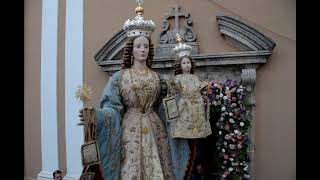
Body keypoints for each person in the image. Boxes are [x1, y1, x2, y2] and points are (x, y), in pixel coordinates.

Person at [80, 2, 191, 180]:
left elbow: (166, 108)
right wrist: (96, 115)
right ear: (131, 50)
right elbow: (111, 107)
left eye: (146, 46)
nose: (142, 50)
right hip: (129, 131)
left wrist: (186, 104)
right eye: (138, 46)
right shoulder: (119, 77)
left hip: (156, 130)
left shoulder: (158, 78)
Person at [167, 34, 212, 139]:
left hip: (197, 106)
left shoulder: (195, 78)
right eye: (184, 63)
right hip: (184, 106)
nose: (187, 65)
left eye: (188, 62)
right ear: (179, 65)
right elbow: (172, 94)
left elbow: (201, 88)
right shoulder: (177, 78)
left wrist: (204, 91)